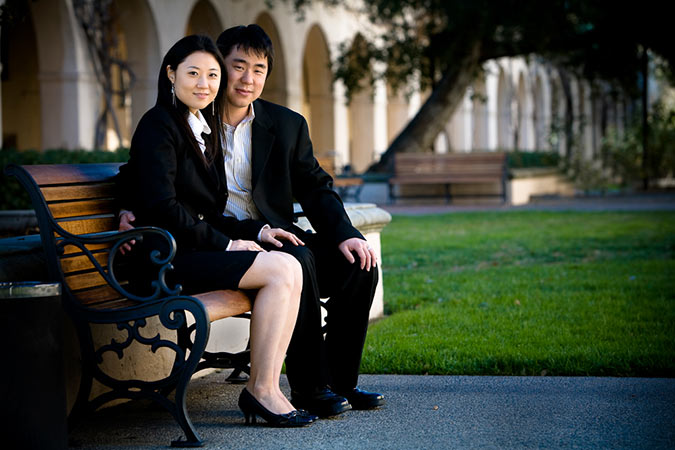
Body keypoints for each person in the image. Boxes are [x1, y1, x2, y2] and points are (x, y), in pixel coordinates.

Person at [121, 25, 385, 417]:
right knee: (299, 263)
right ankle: (309, 388)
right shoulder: (193, 117)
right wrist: (126, 208)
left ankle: (340, 383)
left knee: (358, 266)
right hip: (216, 240)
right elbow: (144, 171)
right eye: (237, 67)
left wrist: (346, 234)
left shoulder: (286, 125)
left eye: (258, 69)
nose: (247, 79)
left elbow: (315, 186)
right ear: (221, 67)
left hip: (264, 232)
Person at [117, 34, 315, 427]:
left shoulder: (199, 127)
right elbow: (164, 207)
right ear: (171, 74)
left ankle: (267, 388)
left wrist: (256, 233)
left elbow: (202, 208)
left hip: (185, 251)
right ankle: (261, 391)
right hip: (160, 259)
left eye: (212, 74)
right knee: (280, 270)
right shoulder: (159, 124)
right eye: (193, 73)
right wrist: (227, 244)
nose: (204, 83)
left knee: (286, 264)